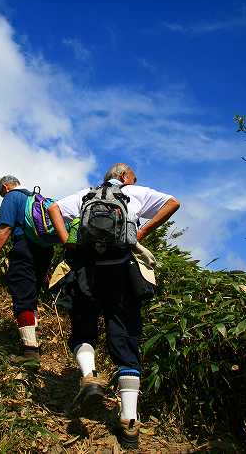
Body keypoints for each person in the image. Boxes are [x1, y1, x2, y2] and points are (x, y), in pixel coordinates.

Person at [48, 163, 180, 448]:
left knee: (83, 327)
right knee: (125, 337)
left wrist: (65, 241)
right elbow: (173, 203)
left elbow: (54, 208)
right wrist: (141, 233)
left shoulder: (88, 194)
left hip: (87, 268)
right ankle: (129, 421)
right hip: (122, 269)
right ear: (124, 177)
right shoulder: (135, 192)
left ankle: (89, 375)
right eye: (133, 176)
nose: (135, 180)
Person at [0, 175, 53, 368]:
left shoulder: (12, 197)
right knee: (31, 295)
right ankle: (33, 340)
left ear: (6, 187)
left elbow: (6, 228)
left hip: (24, 246)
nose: (2, 195)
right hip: (44, 250)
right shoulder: (35, 197)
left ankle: (30, 351)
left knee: (22, 294)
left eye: (1, 193)